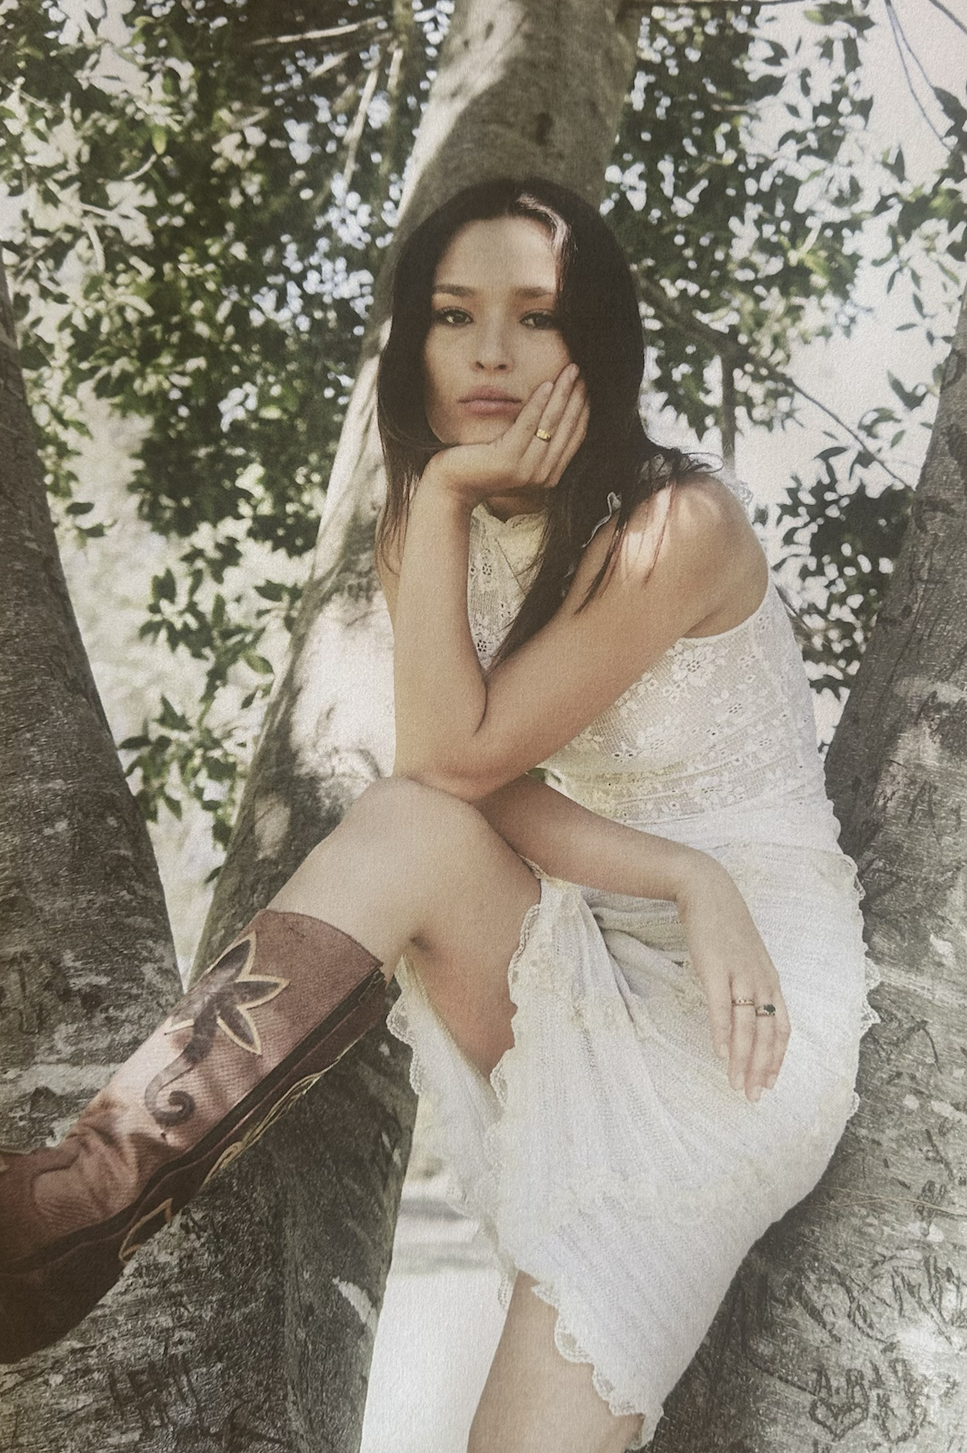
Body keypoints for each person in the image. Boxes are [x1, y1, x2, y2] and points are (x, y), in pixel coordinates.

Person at [0, 178, 877, 1453]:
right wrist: (675, 869)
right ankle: (79, 1199)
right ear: (413, 338)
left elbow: (451, 760)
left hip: (739, 1014)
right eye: (455, 315)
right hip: (590, 932)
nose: (489, 353)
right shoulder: (435, 509)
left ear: (597, 346)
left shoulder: (676, 525)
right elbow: (461, 782)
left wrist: (703, 886)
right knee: (409, 823)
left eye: (535, 317)